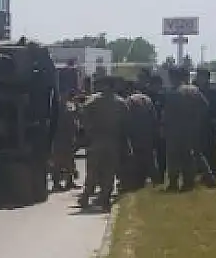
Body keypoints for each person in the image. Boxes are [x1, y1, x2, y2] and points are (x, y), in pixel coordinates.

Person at [77, 76, 128, 211]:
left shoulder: (93, 100)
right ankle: (105, 199)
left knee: (93, 171)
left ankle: (86, 197)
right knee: (109, 172)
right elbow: (125, 123)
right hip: (113, 140)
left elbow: (82, 114)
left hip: (97, 139)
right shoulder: (120, 102)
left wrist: (88, 131)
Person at [160, 67, 208, 191]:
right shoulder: (194, 90)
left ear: (174, 78)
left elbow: (168, 113)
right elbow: (205, 106)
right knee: (189, 155)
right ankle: (189, 181)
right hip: (192, 128)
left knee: (173, 157)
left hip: (175, 129)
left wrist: (164, 127)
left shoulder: (173, 93)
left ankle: (173, 183)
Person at [123, 88, 159, 191]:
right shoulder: (148, 100)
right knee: (150, 158)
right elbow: (154, 116)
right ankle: (155, 180)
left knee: (136, 159)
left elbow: (127, 117)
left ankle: (137, 182)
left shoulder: (129, 100)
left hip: (135, 133)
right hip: (148, 132)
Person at [196, 68, 216, 187]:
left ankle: (213, 173)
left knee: (211, 150)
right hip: (199, 124)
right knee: (201, 150)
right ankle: (205, 173)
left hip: (210, 125)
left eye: (201, 76)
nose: (199, 79)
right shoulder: (196, 90)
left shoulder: (213, 92)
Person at [50, 96, 81, 192]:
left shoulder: (65, 109)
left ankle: (67, 182)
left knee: (67, 161)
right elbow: (73, 124)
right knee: (60, 162)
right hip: (61, 139)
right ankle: (59, 183)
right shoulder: (63, 110)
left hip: (63, 139)